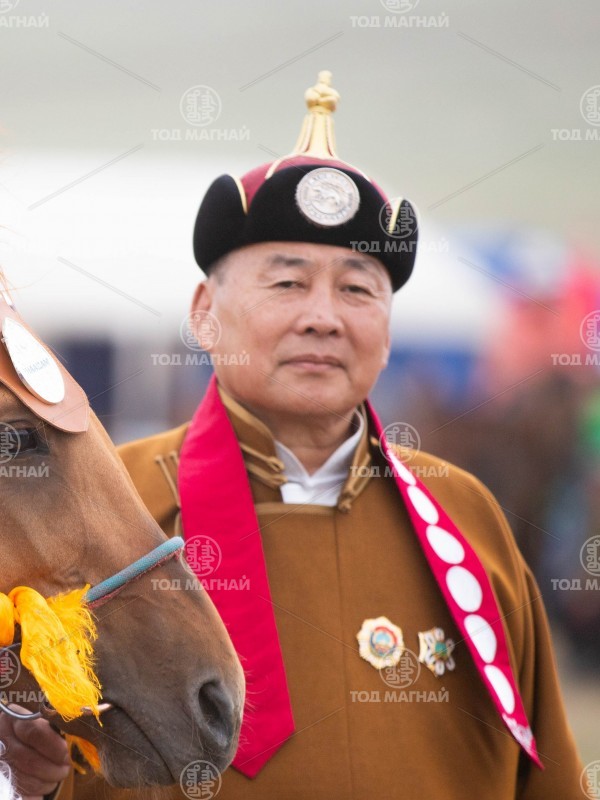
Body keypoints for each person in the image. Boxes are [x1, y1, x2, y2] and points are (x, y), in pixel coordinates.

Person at [1, 71, 588, 800]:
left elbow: (551, 776)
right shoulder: (111, 507)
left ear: (386, 325)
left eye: (357, 288)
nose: (323, 316)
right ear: (205, 312)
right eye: (287, 284)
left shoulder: (465, 518)